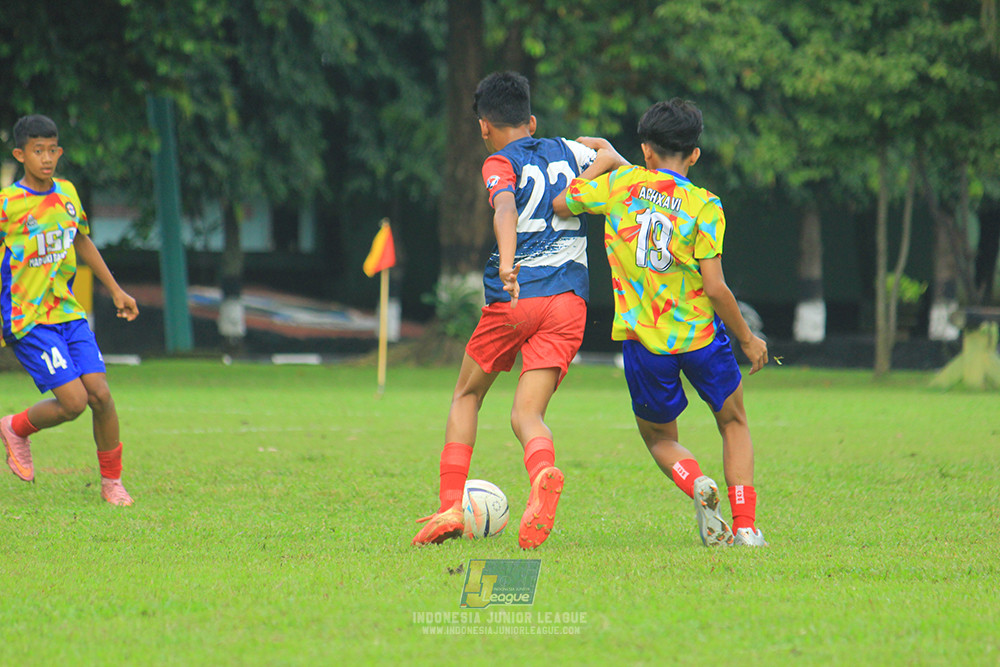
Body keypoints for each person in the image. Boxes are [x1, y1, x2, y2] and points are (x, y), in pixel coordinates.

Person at [412, 71, 618, 549]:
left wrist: (507, 263)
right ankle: (543, 471)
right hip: (569, 303)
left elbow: (504, 208)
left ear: (484, 127)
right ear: (531, 120)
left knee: (466, 395)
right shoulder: (570, 151)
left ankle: (449, 507)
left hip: (517, 298)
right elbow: (620, 165)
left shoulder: (498, 163)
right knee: (527, 414)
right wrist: (600, 156)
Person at [552, 98, 770, 547]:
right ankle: (746, 527)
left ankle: (695, 483)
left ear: (645, 150)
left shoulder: (620, 184)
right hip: (702, 339)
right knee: (733, 423)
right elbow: (715, 288)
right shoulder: (705, 205)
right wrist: (747, 338)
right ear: (694, 154)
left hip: (645, 345)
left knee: (658, 439)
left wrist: (604, 164)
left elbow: (561, 203)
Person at [0, 114, 139, 505]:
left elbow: (82, 242)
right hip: (28, 320)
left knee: (101, 395)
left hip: (68, 313)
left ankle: (112, 483)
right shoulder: (7, 205)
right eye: (37, 151)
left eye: (51, 150)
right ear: (20, 154)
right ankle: (15, 427)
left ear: (59, 152)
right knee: (74, 403)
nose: (46, 158)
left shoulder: (67, 194)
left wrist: (116, 290)